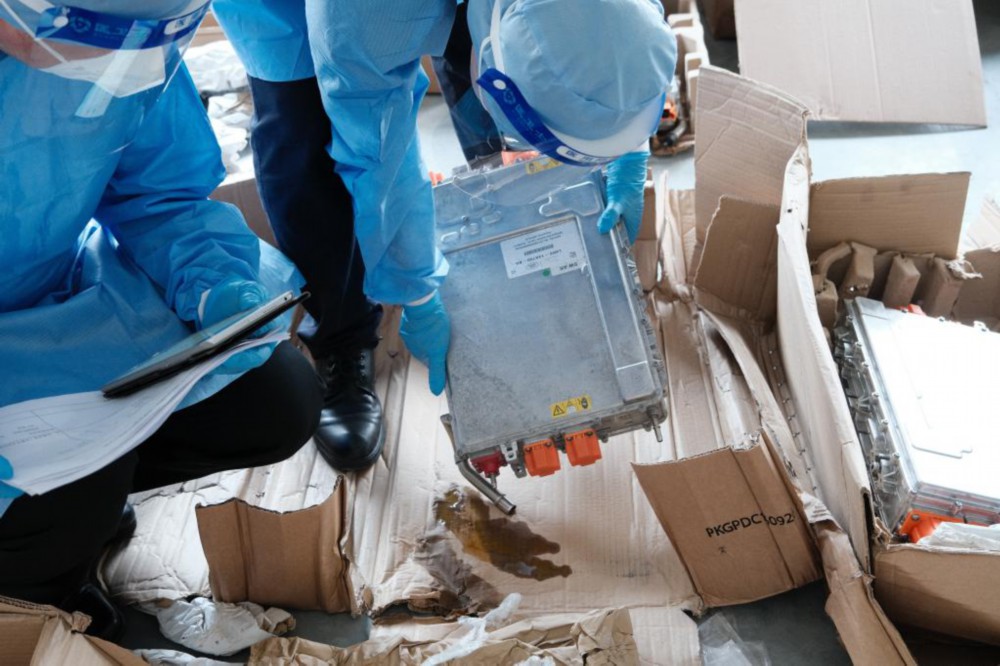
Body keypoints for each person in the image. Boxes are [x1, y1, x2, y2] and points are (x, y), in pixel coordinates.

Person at [211, 0, 677, 472]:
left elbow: (609, 39)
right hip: (324, 12)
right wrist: (415, 290)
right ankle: (340, 339)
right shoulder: (363, 19)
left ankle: (505, 248)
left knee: (515, 58)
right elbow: (380, 152)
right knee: (300, 121)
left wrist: (624, 145)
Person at [0, 0, 322, 639]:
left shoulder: (138, 45)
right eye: (103, 37)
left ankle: (71, 521)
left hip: (54, 302)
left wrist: (211, 286)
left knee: (278, 401)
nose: (122, 63)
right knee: (65, 495)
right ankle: (32, 587)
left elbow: (158, 195)